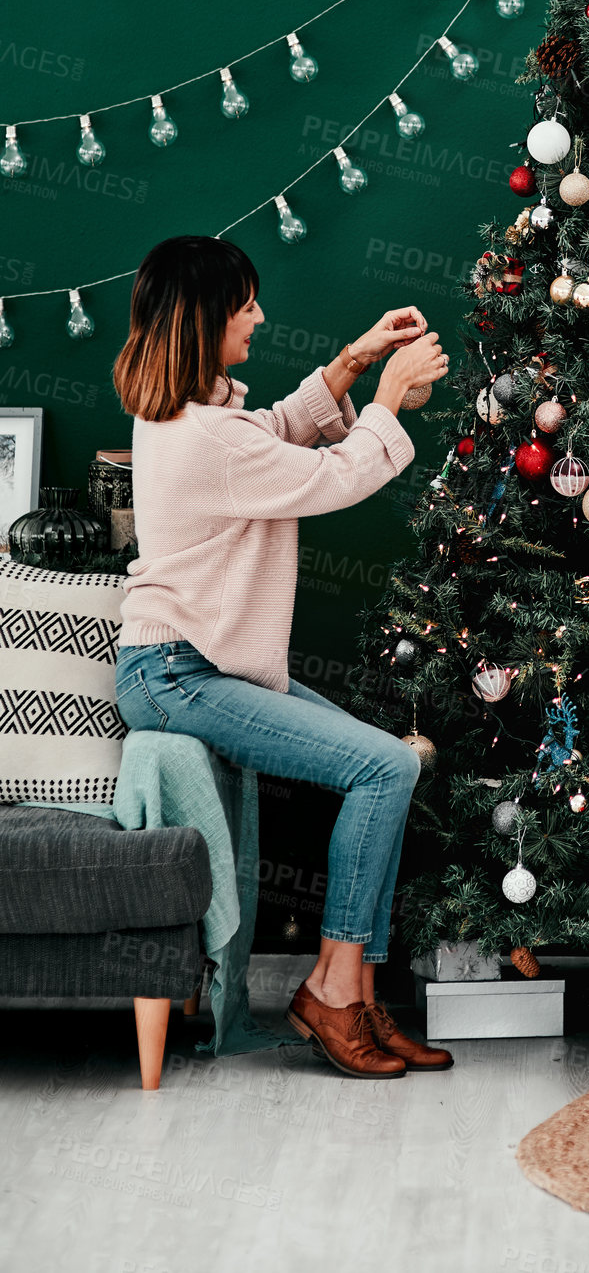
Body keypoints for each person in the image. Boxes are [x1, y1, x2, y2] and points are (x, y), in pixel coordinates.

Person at [112, 235, 451, 1080]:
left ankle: (359, 993)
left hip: (190, 666)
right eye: (247, 303)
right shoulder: (205, 438)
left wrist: (346, 364)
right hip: (179, 675)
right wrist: (389, 398)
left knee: (387, 766)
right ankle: (334, 990)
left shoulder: (188, 418)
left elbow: (266, 435)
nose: (260, 316)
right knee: (382, 768)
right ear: (207, 319)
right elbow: (331, 476)